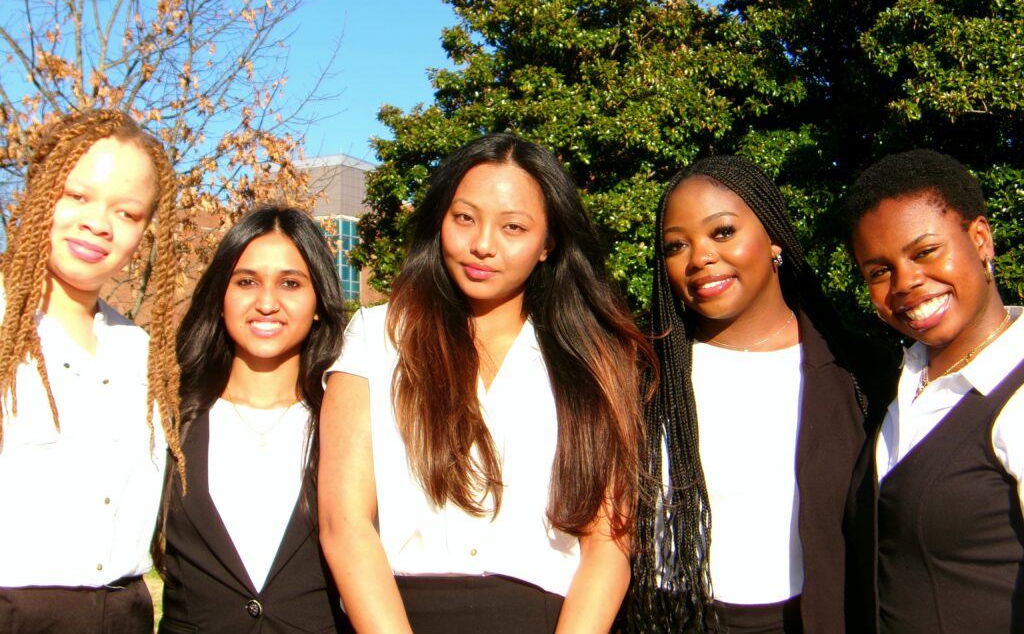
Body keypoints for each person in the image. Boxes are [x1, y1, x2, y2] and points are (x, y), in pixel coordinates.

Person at [318, 133, 652, 633]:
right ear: (440, 220)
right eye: (465, 218)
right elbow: (344, 524)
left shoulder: (592, 359)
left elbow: (608, 542)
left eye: (513, 226)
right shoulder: (377, 336)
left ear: (549, 244)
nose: (482, 245)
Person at [629, 156, 884, 634]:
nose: (699, 257)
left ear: (774, 240)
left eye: (721, 232)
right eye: (676, 245)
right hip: (669, 618)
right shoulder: (640, 373)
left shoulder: (860, 372)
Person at [0, 108, 182, 633]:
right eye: (76, 196)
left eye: (127, 213)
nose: (98, 224)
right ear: (38, 193)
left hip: (122, 616)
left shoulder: (145, 355)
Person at [843, 149, 1024, 634]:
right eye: (878, 271)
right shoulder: (895, 385)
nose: (906, 283)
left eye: (925, 252)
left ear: (981, 239)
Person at [157, 205, 353, 633]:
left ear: (319, 301)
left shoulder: (351, 424)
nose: (267, 303)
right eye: (246, 281)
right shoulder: (167, 418)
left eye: (290, 283)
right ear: (220, 298)